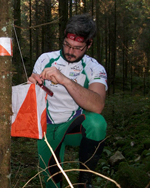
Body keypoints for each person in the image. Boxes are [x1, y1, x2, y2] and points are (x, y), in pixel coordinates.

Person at [28, 14, 108, 188]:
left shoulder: (94, 68)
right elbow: (33, 100)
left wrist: (64, 79)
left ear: (89, 43)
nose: (70, 52)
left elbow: (97, 105)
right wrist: (31, 85)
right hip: (47, 127)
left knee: (97, 123)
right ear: (64, 36)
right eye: (67, 45)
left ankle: (84, 182)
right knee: (51, 182)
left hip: (74, 127)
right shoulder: (45, 59)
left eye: (78, 48)